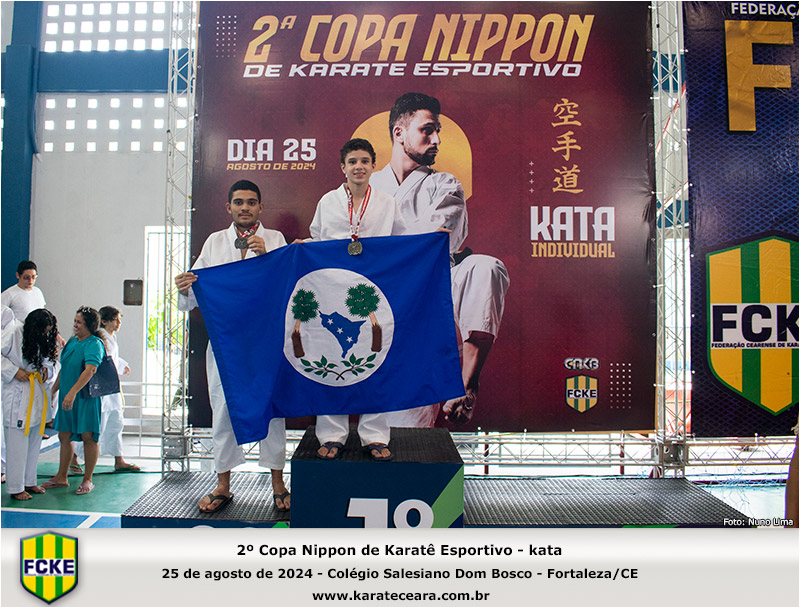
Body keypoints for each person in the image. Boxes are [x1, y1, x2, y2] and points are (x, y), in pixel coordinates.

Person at [370, 92, 510, 426]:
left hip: (435, 294)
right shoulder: (366, 188)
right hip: (380, 305)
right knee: (400, 431)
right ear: (399, 133)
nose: (436, 140)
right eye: (427, 130)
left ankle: (466, 382)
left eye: (438, 131)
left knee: (484, 267)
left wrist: (381, 243)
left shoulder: (444, 184)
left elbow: (435, 241)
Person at [175, 179, 290, 513]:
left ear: (260, 207)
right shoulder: (214, 242)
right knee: (223, 409)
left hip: (265, 342)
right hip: (226, 343)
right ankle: (223, 484)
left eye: (251, 202)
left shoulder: (275, 240)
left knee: (271, 410)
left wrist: (267, 258)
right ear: (229, 207)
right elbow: (196, 294)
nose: (245, 208)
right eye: (239, 202)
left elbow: (287, 287)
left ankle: (278, 483)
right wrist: (184, 288)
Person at [305, 138, 407, 461]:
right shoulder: (328, 201)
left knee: (375, 360)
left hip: (374, 292)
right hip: (333, 290)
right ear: (343, 167)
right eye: (352, 162)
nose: (358, 167)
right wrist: (302, 248)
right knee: (332, 358)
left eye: (364, 161)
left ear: (374, 165)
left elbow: (401, 243)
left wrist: (433, 240)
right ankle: (331, 434)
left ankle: (374, 435)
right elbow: (318, 240)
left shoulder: (387, 202)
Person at [42, 307, 105, 495]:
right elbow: (65, 368)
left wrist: (73, 393)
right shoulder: (71, 342)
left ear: (89, 325)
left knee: (88, 436)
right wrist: (54, 390)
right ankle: (61, 476)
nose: (75, 325)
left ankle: (87, 479)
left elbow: (90, 370)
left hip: (85, 398)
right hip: (67, 397)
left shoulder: (94, 344)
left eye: (79, 322)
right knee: (64, 435)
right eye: (75, 321)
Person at [72, 306, 139, 473]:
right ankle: (74, 457)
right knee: (96, 426)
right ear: (104, 321)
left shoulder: (111, 337)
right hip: (101, 388)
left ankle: (119, 459)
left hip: (112, 389)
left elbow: (113, 359)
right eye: (116, 320)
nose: (119, 323)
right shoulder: (99, 338)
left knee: (116, 423)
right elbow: (102, 362)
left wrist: (122, 365)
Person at [2, 309, 59, 500]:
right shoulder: (14, 332)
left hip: (37, 392)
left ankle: (29, 481)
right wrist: (13, 371)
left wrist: (47, 372)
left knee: (35, 440)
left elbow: (51, 363)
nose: (44, 334)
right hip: (18, 393)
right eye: (42, 330)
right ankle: (15, 487)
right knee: (17, 444)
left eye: (47, 331)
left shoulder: (44, 338)